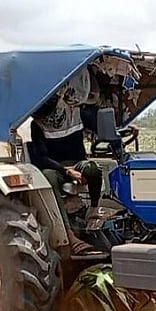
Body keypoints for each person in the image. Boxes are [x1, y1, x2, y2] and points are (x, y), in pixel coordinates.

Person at [30, 93, 106, 256]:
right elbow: (42, 157)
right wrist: (67, 171)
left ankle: (93, 210)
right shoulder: (37, 126)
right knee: (48, 176)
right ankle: (68, 234)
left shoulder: (76, 114)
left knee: (92, 167)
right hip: (57, 168)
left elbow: (100, 126)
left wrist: (117, 131)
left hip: (78, 163)